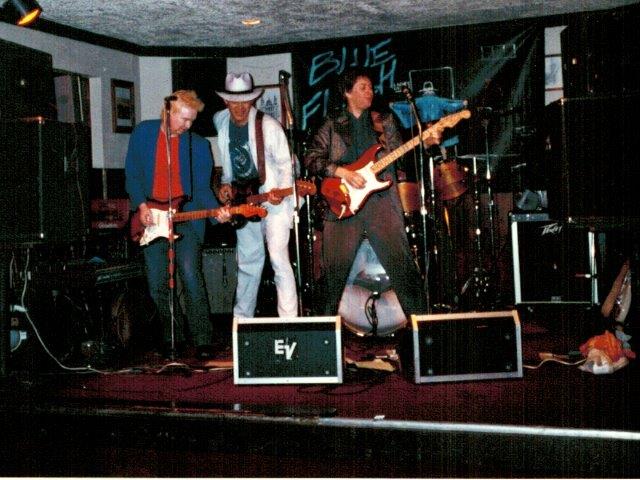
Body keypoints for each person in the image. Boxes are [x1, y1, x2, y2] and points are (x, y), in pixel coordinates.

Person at [304, 67, 439, 319]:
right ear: (347, 92)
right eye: (363, 87)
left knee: (403, 268)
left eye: (371, 87)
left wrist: (425, 142)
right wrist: (342, 172)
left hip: (381, 202)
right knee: (332, 275)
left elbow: (400, 156)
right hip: (342, 203)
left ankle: (422, 329)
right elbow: (311, 158)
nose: (370, 92)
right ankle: (323, 333)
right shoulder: (332, 124)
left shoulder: (384, 120)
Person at [125, 90, 231, 360]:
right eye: (184, 119)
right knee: (156, 283)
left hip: (186, 217)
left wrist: (215, 213)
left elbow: (202, 189)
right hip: (152, 217)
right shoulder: (143, 133)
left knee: (191, 275)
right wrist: (142, 206)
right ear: (168, 111)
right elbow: (132, 174)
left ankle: (203, 338)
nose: (188, 125)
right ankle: (174, 336)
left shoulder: (199, 145)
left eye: (192, 120)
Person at [213, 72, 298, 318]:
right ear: (225, 101)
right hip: (244, 200)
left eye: (245, 101)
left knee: (278, 259)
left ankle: (289, 321)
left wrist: (281, 192)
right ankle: (241, 322)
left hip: (273, 201)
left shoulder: (268, 126)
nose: (240, 107)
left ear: (253, 100)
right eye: (234, 102)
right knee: (248, 262)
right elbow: (229, 162)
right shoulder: (221, 122)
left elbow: (286, 165)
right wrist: (226, 184)